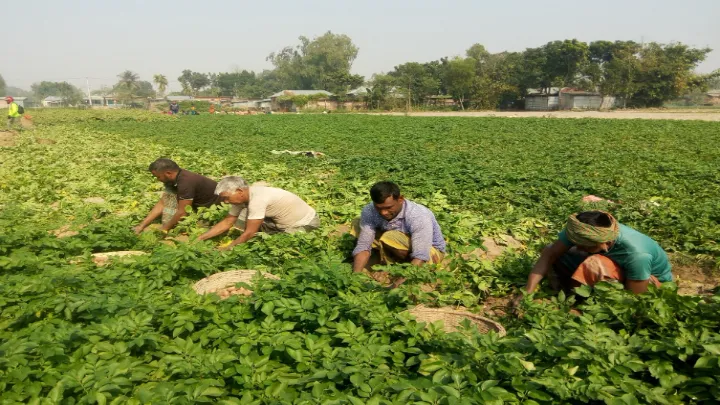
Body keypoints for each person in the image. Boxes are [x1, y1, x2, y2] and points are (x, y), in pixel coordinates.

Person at [517, 210, 673, 302]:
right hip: (616, 267)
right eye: (576, 242)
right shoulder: (581, 230)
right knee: (557, 253)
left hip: (647, 282)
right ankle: (567, 292)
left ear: (605, 243)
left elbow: (635, 298)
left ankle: (580, 302)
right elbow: (550, 254)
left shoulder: (637, 254)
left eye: (585, 245)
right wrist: (527, 292)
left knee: (594, 264)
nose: (578, 247)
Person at [351, 181, 446, 288]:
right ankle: (389, 265)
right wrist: (355, 277)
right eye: (379, 208)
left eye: (388, 207)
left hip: (430, 252)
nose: (384, 213)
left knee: (389, 237)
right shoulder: (369, 211)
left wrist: (396, 286)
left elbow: (421, 255)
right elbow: (363, 245)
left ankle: (395, 269)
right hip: (397, 244)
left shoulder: (418, 215)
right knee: (358, 224)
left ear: (400, 199)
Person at [198, 176, 320, 249]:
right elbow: (228, 221)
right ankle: (241, 238)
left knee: (280, 246)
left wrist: (226, 249)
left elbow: (250, 233)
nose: (225, 201)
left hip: (305, 223)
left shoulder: (258, 199)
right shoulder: (241, 198)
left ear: (240, 191)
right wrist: (201, 238)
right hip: (279, 222)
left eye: (226, 197)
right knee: (246, 220)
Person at [134, 158, 220, 234]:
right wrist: (141, 225)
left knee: (196, 230)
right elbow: (162, 203)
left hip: (214, 209)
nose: (158, 180)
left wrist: (164, 229)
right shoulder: (171, 180)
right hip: (197, 205)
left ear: (168, 173)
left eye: (158, 177)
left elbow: (183, 212)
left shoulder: (186, 182)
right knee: (172, 208)